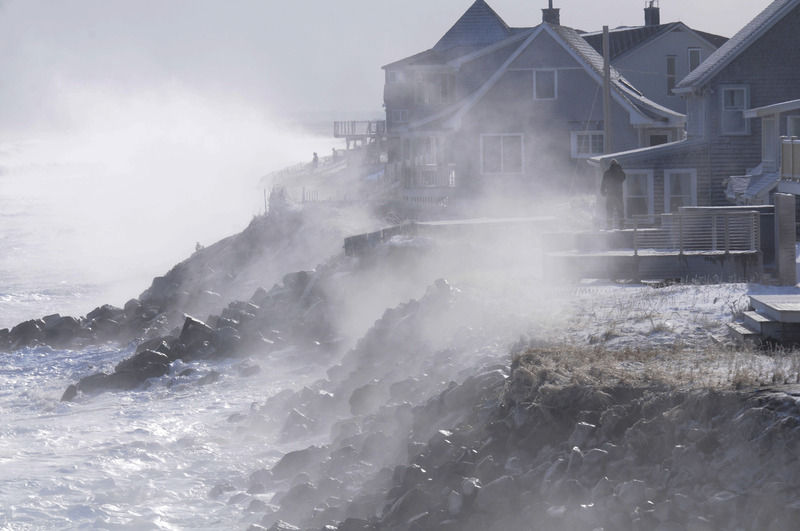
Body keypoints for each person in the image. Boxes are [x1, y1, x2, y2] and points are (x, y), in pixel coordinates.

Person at [601, 159, 626, 230]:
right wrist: (620, 168)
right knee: (620, 210)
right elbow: (624, 177)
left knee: (609, 210)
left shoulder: (607, 173)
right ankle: (621, 226)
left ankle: (609, 226)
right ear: (617, 164)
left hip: (610, 194)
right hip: (618, 194)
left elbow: (603, 183)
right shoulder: (619, 172)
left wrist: (603, 191)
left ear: (610, 165)